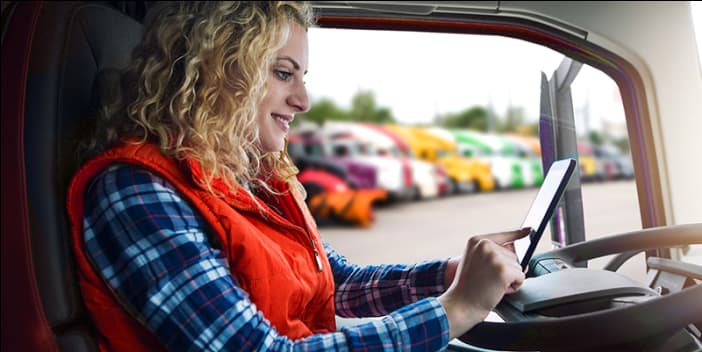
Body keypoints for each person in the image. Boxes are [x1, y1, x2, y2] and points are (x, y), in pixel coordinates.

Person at [66, 2, 529, 351]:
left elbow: (336, 281)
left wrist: (451, 274)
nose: (303, 100)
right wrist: (457, 308)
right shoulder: (135, 192)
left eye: (302, 75)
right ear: (213, 72)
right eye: (283, 74)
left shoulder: (250, 178)